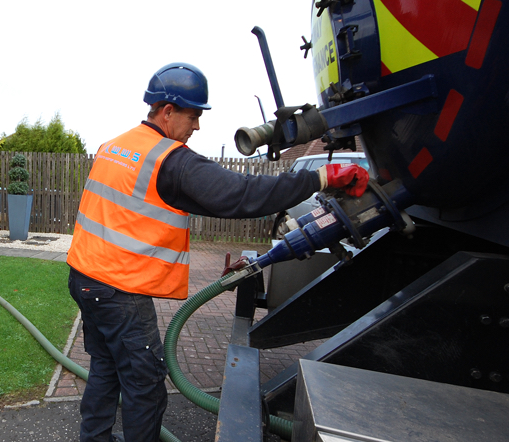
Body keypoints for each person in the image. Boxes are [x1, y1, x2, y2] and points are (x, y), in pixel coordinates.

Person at [66, 62, 368, 442]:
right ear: (168, 111)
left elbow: (165, 202)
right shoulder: (170, 159)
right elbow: (241, 194)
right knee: (144, 384)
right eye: (193, 116)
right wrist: (320, 177)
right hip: (119, 292)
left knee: (106, 369)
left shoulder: (117, 146)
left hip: (86, 280)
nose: (197, 127)